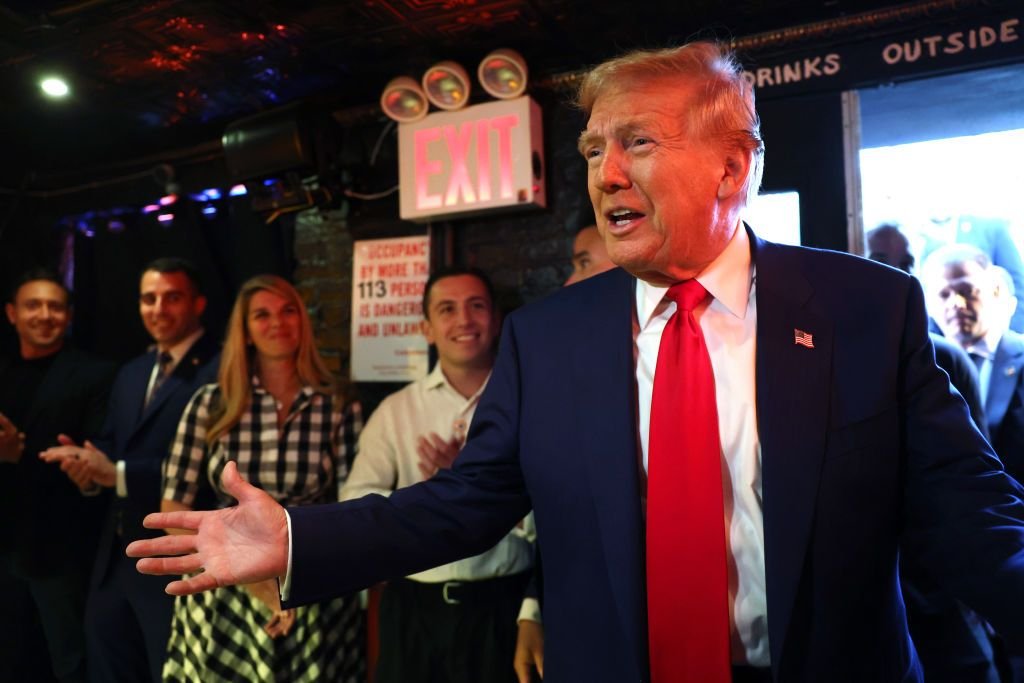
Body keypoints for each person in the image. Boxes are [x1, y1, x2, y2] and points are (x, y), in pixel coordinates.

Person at [129, 42, 1024, 683]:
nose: (604, 173)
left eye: (638, 142)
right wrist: (300, 537)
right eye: (594, 148)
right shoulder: (547, 338)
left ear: (731, 166)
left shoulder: (866, 307)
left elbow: (968, 510)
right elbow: (465, 502)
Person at [158, 275, 364, 682]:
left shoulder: (338, 405)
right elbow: (172, 507)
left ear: (303, 321)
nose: (278, 323)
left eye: (288, 311)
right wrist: (256, 583)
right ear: (246, 331)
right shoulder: (211, 403)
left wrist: (300, 581)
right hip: (224, 584)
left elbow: (351, 507)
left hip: (309, 578)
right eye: (262, 315)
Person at [341, 266, 532, 683]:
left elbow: (561, 509)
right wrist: (434, 496)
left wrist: (478, 485)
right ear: (426, 329)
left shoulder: (531, 403)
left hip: (505, 607)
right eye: (447, 309)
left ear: (497, 319)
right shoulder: (396, 410)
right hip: (414, 610)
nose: (463, 320)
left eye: (476, 306)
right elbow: (355, 501)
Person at [40, 257, 220, 683]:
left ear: (198, 304)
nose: (158, 309)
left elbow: (213, 469)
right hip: (116, 555)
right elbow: (110, 445)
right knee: (106, 667)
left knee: (173, 671)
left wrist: (117, 473)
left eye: (172, 298)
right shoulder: (133, 371)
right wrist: (85, 466)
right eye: (148, 299)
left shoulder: (221, 368)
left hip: (178, 557)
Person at [866, 225, 1003, 683]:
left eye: (905, 263)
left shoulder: (944, 359)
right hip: (865, 602)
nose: (894, 273)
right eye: (879, 259)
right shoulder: (818, 354)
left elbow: (975, 484)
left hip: (944, 595)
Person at [0, 268, 115, 682]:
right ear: (12, 313)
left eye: (55, 307)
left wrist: (20, 454)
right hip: (4, 540)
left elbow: (96, 463)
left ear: (68, 316)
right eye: (33, 305)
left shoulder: (96, 374)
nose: (45, 315)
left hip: (61, 549)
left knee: (71, 661)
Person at [922, 244, 1024, 488]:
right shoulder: (923, 368)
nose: (957, 303)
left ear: (995, 291)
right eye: (944, 295)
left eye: (967, 290)